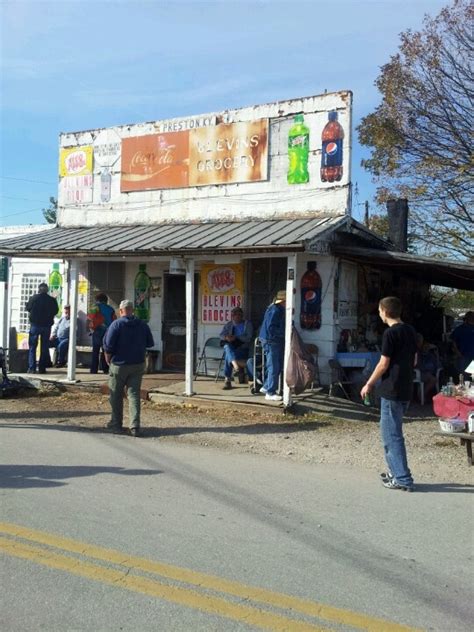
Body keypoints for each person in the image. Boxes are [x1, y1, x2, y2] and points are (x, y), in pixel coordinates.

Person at [360, 296, 417, 492]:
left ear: (384, 311)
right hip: (406, 387)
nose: (379, 314)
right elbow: (414, 359)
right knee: (392, 433)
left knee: (391, 435)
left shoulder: (390, 334)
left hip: (391, 388)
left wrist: (369, 384)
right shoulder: (411, 331)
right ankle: (395, 471)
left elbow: (383, 363)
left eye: (379, 310)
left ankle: (402, 478)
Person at [103, 299, 154, 437]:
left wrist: (107, 358)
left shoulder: (116, 324)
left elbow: (108, 345)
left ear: (120, 311)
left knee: (116, 395)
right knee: (134, 395)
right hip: (137, 364)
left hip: (119, 365)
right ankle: (135, 426)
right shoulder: (142, 325)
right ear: (133, 310)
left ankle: (116, 424)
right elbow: (150, 343)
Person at [258, 290, 286, 402]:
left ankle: (266, 386)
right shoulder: (275, 310)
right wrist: (284, 333)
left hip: (271, 340)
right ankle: (270, 392)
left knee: (275, 366)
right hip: (271, 340)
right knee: (274, 366)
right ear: (283, 301)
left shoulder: (275, 309)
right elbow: (271, 328)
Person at [25, 282, 59, 374]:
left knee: (32, 347)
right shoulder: (52, 300)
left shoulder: (33, 298)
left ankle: (32, 368)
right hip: (46, 326)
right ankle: (42, 368)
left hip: (35, 325)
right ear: (47, 290)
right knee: (44, 348)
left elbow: (27, 308)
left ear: (39, 289)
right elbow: (56, 311)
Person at [220, 307, 253, 390]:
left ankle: (227, 380)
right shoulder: (229, 324)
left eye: (239, 315)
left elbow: (249, 338)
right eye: (235, 315)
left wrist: (236, 337)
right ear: (232, 316)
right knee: (227, 347)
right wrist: (227, 337)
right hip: (233, 349)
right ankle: (235, 365)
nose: (237, 316)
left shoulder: (247, 324)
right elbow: (221, 335)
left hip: (243, 349)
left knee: (228, 356)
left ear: (242, 316)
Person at [87, 293, 117, 374]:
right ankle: (105, 369)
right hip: (108, 331)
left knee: (95, 351)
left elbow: (90, 317)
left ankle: (94, 370)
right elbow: (114, 320)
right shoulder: (111, 308)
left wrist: (91, 326)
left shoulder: (95, 306)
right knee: (105, 350)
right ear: (105, 300)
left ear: (98, 299)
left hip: (97, 330)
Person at [415, 333, 441, 401]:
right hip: (419, 373)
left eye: (427, 346)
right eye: (424, 346)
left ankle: (423, 394)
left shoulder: (431, 355)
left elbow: (438, 365)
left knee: (435, 378)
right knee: (433, 379)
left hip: (430, 373)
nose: (426, 347)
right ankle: (422, 395)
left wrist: (436, 352)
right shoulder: (417, 353)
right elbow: (417, 366)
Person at [450, 311, 474, 377]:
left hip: (472, 357)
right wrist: (457, 352)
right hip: (463, 357)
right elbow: (453, 341)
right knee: (464, 378)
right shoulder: (460, 329)